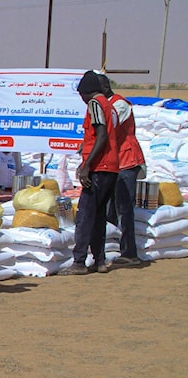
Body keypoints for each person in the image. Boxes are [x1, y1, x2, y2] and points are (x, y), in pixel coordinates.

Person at [59, 71, 120, 276]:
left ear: (85, 92)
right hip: (110, 167)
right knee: (99, 216)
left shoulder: (95, 104)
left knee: (85, 216)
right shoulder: (109, 105)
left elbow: (101, 136)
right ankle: (100, 260)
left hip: (99, 168)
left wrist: (87, 166)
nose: (82, 100)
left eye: (81, 95)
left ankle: (79, 261)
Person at [100, 77, 146, 268]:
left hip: (126, 161)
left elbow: (109, 126)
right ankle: (111, 248)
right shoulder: (107, 105)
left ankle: (129, 253)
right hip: (114, 162)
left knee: (123, 208)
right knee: (109, 207)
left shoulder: (120, 104)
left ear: (104, 88)